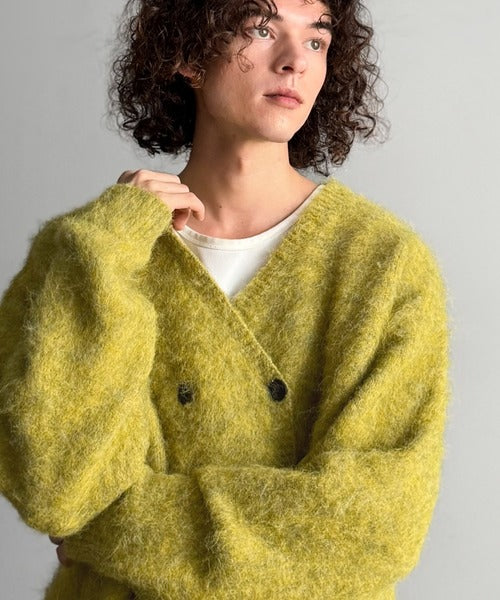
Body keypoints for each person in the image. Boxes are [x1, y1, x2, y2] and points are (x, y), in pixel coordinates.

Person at [0, 0, 451, 599]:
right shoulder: (91, 250)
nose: (295, 62)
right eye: (262, 29)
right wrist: (110, 245)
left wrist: (106, 526)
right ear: (188, 54)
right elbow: (53, 487)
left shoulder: (382, 263)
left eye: (316, 40)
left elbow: (370, 527)